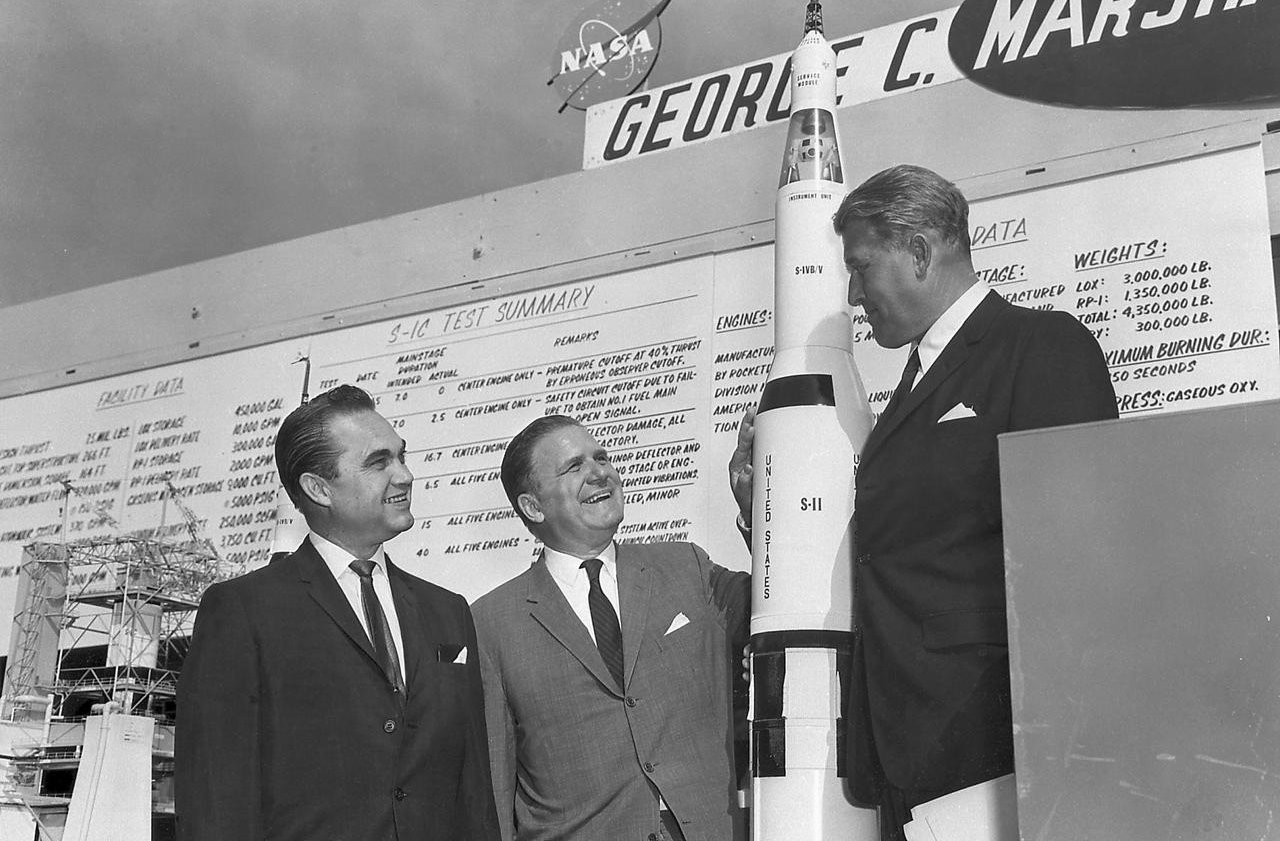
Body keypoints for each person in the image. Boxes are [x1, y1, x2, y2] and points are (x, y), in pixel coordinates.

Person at [730, 165, 1118, 841]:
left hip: (991, 751)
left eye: (860, 267)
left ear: (918, 251)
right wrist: (762, 520)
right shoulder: (915, 386)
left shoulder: (1040, 348)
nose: (853, 294)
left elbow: (1077, 565)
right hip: (907, 756)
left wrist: (1063, 758)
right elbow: (892, 555)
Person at [175, 385, 500, 841]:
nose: (405, 475)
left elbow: (475, 797)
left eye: (402, 456)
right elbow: (215, 800)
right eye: (379, 462)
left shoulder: (449, 612)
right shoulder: (243, 611)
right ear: (318, 488)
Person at [472, 414, 750, 841]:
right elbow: (495, 783)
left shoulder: (687, 567)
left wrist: (757, 508)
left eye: (600, 458)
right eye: (574, 466)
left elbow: (781, 605)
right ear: (533, 506)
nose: (599, 472)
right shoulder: (490, 622)